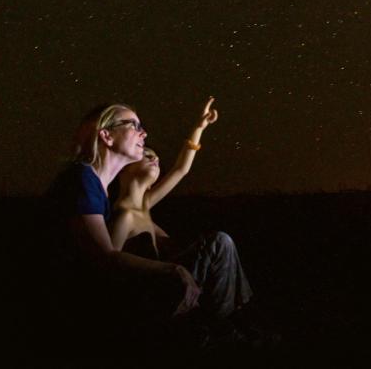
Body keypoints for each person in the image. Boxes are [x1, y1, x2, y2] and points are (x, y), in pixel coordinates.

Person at [43, 103, 202, 352]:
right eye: (134, 125)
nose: (144, 133)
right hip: (67, 315)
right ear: (106, 136)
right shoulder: (81, 180)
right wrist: (173, 270)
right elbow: (103, 259)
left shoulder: (95, 187)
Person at [109, 97, 254, 325]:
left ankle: (229, 317)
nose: (154, 159)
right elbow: (109, 262)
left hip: (168, 281)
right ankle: (222, 323)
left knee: (220, 243)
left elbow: (180, 169)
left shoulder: (144, 204)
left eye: (156, 158)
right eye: (147, 155)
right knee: (219, 242)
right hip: (153, 289)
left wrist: (199, 128)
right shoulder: (124, 214)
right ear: (123, 169)